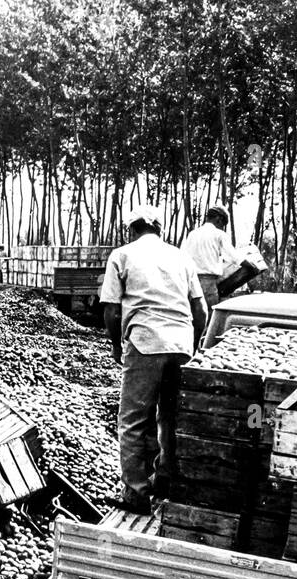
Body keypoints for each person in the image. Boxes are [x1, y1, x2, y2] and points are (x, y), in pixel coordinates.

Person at [100, 205, 207, 514]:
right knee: (170, 417)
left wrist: (118, 347)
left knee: (134, 419)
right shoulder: (181, 257)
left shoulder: (122, 255)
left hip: (145, 341)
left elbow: (110, 309)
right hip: (181, 344)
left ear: (132, 230)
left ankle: (136, 494)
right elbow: (201, 311)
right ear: (159, 230)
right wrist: (194, 346)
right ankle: (166, 482)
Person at [181, 204, 237, 310]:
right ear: (219, 219)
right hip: (208, 282)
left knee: (192, 316)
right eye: (223, 224)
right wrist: (251, 265)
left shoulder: (192, 234)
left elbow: (183, 257)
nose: (222, 227)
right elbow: (233, 257)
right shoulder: (219, 234)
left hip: (189, 281)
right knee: (209, 317)